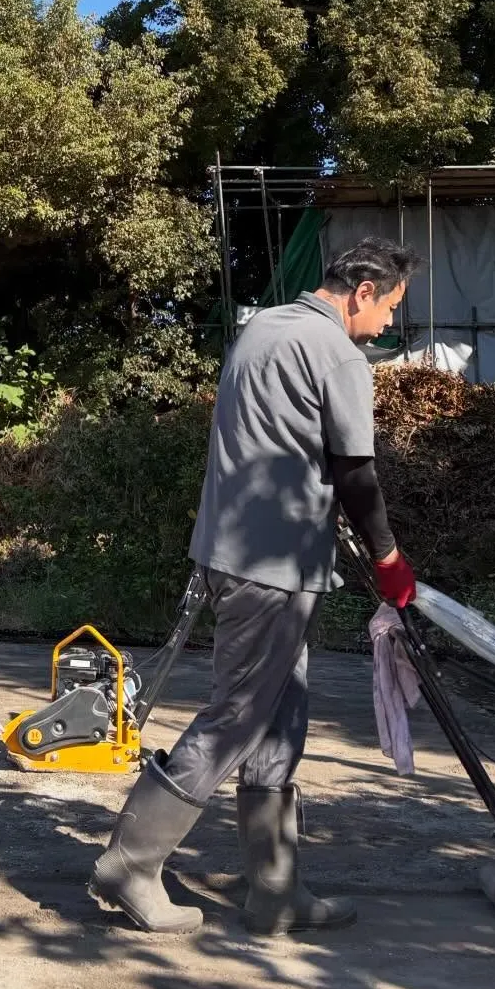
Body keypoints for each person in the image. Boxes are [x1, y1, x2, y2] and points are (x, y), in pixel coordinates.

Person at [90, 237, 422, 937]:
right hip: (270, 565)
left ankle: (275, 891)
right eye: (390, 307)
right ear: (363, 291)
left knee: (281, 716)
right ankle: (130, 862)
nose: (389, 323)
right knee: (238, 715)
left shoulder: (263, 327)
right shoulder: (337, 354)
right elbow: (356, 474)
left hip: (246, 552)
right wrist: (390, 559)